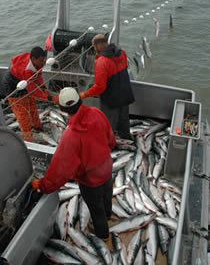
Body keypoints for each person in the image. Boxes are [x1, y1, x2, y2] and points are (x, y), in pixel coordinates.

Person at [31, 87, 116, 241]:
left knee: (96, 208)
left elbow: (60, 170)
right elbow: (110, 138)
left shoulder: (70, 136)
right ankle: (108, 214)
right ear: (80, 100)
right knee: (107, 193)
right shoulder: (97, 113)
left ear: (62, 109)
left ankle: (103, 234)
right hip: (107, 167)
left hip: (90, 180)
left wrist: (43, 185)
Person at [79, 34, 135, 140]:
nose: (94, 49)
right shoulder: (121, 53)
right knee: (123, 120)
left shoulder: (101, 62)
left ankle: (109, 145)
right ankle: (126, 138)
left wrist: (85, 94)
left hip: (111, 99)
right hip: (125, 93)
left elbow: (100, 87)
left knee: (108, 124)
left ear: (99, 45)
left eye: (94, 46)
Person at [2, 46, 59, 142]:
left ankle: (37, 127)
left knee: (32, 105)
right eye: (41, 60)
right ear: (33, 59)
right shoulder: (26, 69)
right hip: (12, 86)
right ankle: (28, 139)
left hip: (24, 82)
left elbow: (38, 77)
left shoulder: (38, 64)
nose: (43, 63)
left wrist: (44, 88)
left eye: (43, 60)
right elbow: (33, 90)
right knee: (22, 114)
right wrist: (49, 98)